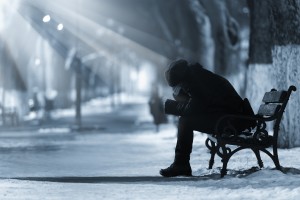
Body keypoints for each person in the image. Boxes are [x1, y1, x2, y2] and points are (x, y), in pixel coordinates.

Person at [160, 59, 256, 177]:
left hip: (232, 121)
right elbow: (199, 105)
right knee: (186, 120)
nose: (175, 89)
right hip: (229, 117)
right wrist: (178, 96)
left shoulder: (195, 81)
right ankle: (181, 164)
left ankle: (181, 165)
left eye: (176, 86)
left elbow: (196, 108)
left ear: (181, 80)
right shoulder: (197, 76)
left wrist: (173, 105)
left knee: (186, 121)